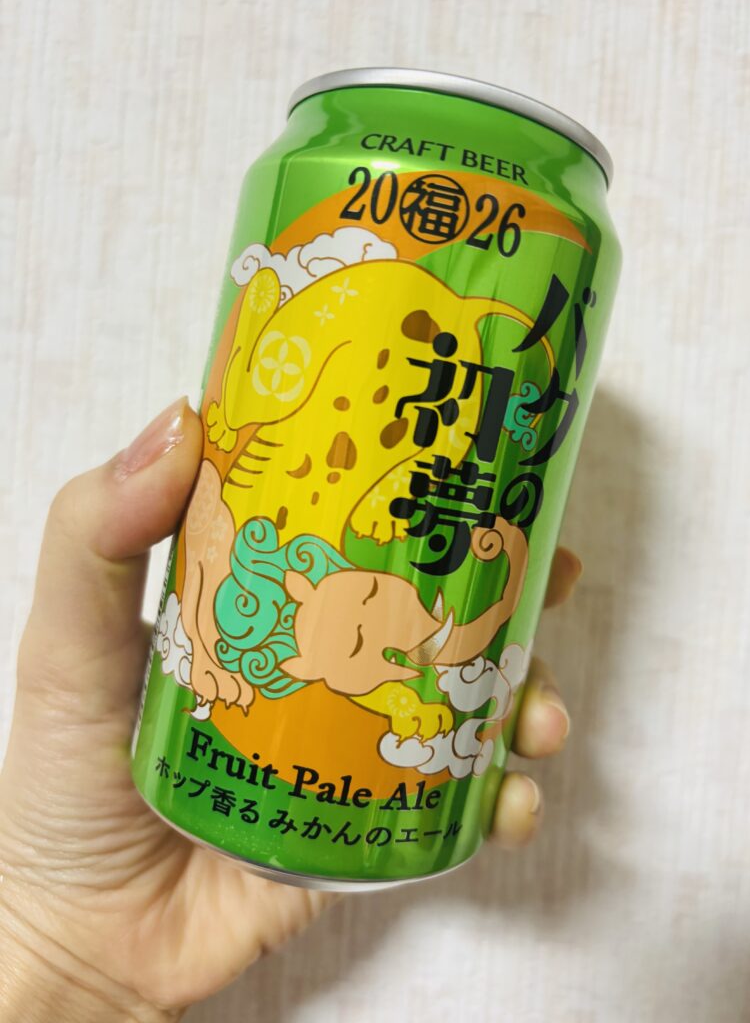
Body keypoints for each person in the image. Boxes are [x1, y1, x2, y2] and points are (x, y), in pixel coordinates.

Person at [0, 398, 578, 1022]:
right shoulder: (236, 584)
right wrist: (59, 947)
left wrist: (82, 972)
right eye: (365, 620)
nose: (377, 611)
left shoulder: (354, 599)